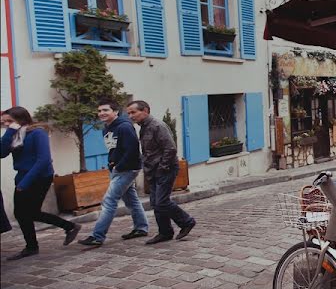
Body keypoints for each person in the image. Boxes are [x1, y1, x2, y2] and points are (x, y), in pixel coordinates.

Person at [1, 106, 80, 259]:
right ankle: (68, 227)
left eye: (9, 121)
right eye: (3, 123)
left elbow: (43, 160)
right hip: (23, 176)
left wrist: (25, 183)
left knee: (26, 212)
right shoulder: (14, 135)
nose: (6, 125)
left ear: (21, 120)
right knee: (25, 213)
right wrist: (10, 131)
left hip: (39, 177)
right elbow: (1, 153)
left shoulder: (37, 133)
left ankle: (33, 246)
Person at [79, 99, 149, 246]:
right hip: (117, 169)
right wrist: (112, 165)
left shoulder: (124, 127)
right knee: (131, 200)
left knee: (109, 201)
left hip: (128, 169)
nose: (101, 113)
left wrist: (119, 166)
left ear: (115, 112)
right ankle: (141, 227)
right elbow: (113, 149)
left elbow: (132, 150)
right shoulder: (106, 128)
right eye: (99, 111)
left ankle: (97, 236)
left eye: (105, 110)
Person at [126, 101, 196, 244]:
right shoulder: (143, 128)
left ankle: (186, 221)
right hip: (152, 170)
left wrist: (162, 167)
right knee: (155, 203)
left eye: (133, 112)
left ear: (145, 110)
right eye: (128, 113)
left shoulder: (157, 126)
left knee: (162, 202)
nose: (130, 116)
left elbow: (170, 148)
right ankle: (165, 232)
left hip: (165, 169)